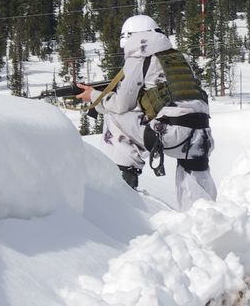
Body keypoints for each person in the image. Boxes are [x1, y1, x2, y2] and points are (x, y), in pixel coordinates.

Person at [79, 14, 216, 210]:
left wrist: (93, 96)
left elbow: (121, 105)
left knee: (114, 116)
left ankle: (123, 183)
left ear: (130, 37)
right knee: (197, 191)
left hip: (171, 134)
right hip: (201, 136)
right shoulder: (179, 57)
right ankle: (206, 217)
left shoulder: (139, 57)